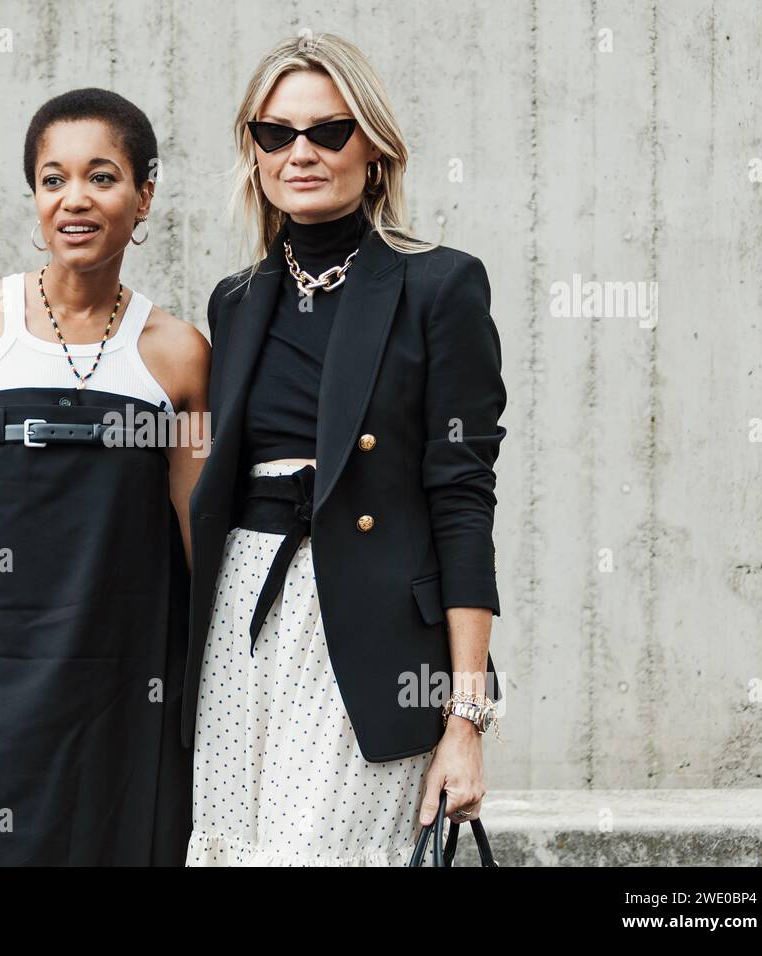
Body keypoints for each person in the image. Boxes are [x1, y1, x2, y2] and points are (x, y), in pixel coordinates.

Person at [183, 33, 507, 866]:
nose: (301, 152)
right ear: (252, 151)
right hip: (239, 624)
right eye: (275, 133)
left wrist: (464, 720)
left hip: (365, 635)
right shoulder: (238, 300)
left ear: (374, 147)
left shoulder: (440, 284)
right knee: (227, 852)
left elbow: (463, 502)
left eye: (330, 131)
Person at [0, 88, 211, 865]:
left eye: (102, 177)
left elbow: (200, 544)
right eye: (53, 178)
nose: (75, 199)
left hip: (127, 703)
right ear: (35, 196)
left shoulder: (180, 354)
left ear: (144, 197)